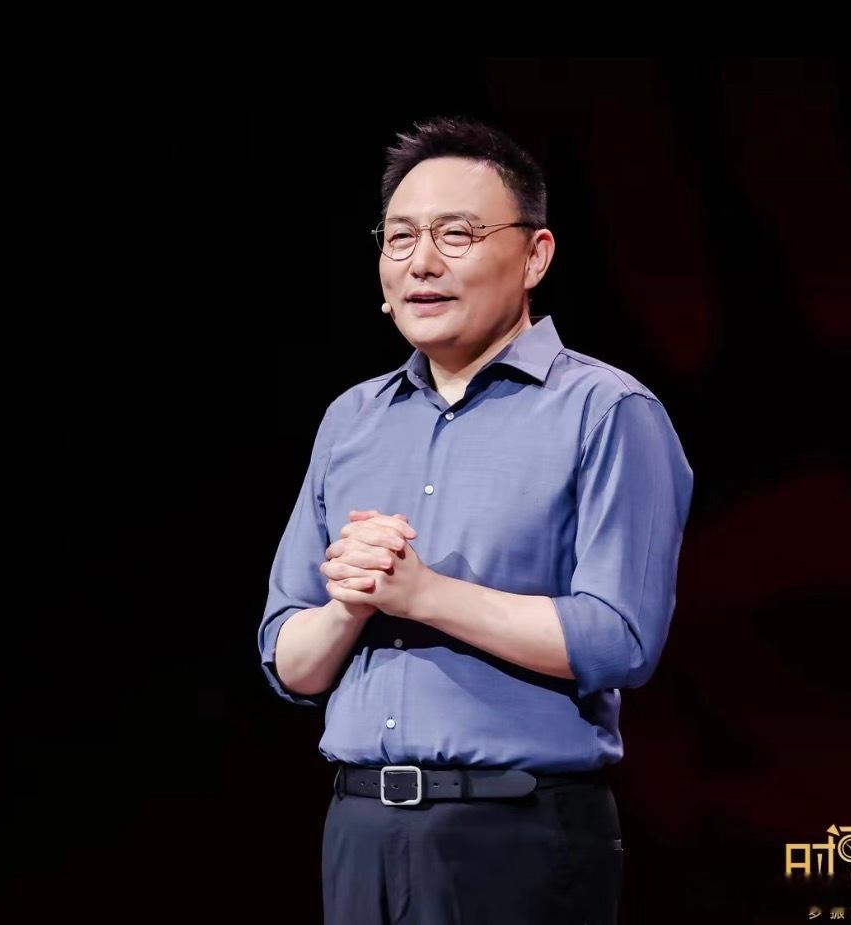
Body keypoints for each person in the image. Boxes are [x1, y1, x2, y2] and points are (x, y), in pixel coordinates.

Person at [256, 115, 694, 924]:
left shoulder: (606, 411)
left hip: (515, 830)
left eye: (456, 234)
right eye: (399, 237)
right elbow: (289, 659)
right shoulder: (352, 419)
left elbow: (621, 638)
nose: (421, 262)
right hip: (359, 826)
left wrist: (424, 594)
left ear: (535, 256)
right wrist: (353, 603)